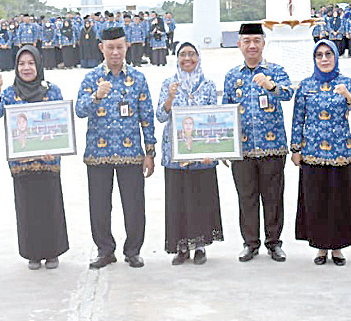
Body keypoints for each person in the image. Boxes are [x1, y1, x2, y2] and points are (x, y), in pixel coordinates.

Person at [75, 26, 156, 269]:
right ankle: (105, 250)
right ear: (101, 48)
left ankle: (133, 251)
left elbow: (147, 117)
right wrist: (96, 97)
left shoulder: (138, 78)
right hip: (98, 154)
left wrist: (149, 152)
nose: (115, 52)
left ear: (127, 47)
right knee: (99, 205)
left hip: (131, 153)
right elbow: (79, 111)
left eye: (119, 47)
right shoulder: (91, 78)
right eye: (110, 47)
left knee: (134, 205)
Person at [0, 45, 70, 270]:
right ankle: (32, 253)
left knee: (50, 205)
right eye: (21, 64)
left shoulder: (52, 91)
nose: (26, 68)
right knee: (27, 208)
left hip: (48, 160)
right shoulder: (9, 93)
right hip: (21, 163)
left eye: (31, 63)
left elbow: (61, 122)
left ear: (39, 65)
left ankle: (53, 252)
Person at [290, 39, 351, 266]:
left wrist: (349, 97)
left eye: (328, 54)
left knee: (338, 201)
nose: (324, 59)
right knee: (317, 201)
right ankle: (320, 247)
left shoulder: (346, 82)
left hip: (340, 153)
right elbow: (297, 119)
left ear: (335, 57)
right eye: (319, 55)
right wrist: (295, 149)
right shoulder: (305, 85)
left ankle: (338, 248)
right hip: (312, 153)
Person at [222, 23, 293, 263]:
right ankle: (250, 243)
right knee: (246, 197)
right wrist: (224, 145)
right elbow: (226, 112)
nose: (252, 45)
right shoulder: (232, 76)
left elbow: (287, 93)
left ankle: (274, 243)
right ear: (239, 44)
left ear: (264, 43)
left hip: (272, 147)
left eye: (256, 41)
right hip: (243, 150)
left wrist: (270, 85)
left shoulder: (276, 70)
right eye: (246, 41)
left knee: (273, 197)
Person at [155, 41, 223, 265]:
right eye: (183, 54)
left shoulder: (208, 85)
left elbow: (213, 119)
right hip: (176, 153)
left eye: (192, 54)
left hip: (201, 154)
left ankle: (200, 245)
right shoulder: (169, 83)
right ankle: (181, 246)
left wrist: (211, 150)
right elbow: (161, 116)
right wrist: (170, 98)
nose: (187, 58)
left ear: (198, 57)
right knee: (179, 199)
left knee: (200, 198)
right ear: (176, 58)